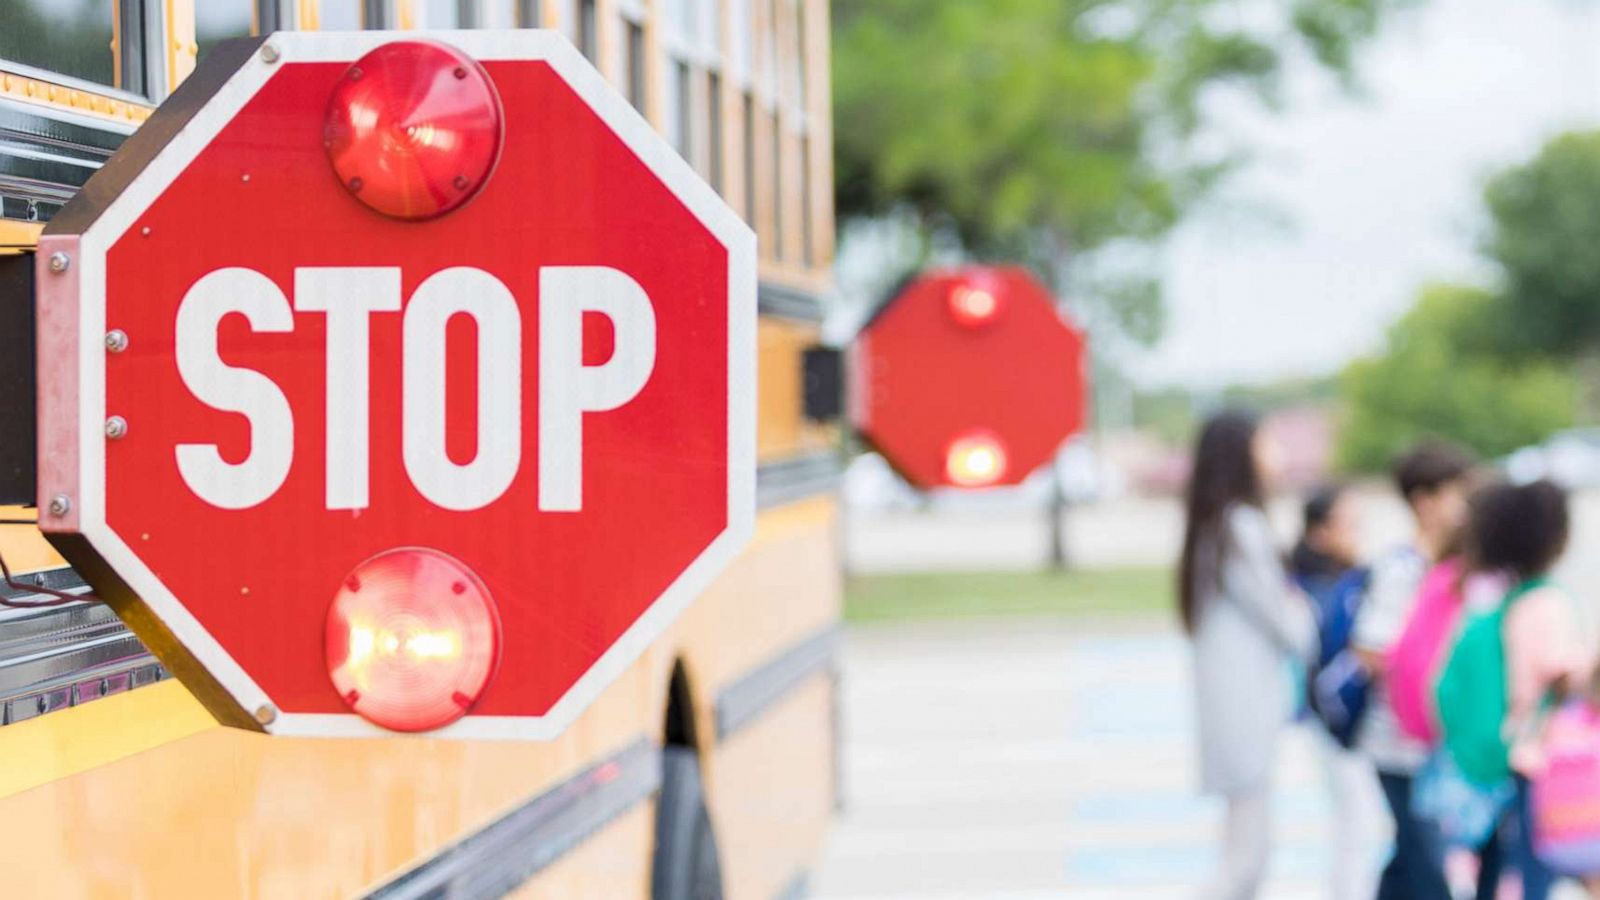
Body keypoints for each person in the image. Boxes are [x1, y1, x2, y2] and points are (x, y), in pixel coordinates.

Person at [1179, 410, 1314, 900]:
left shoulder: (1216, 525)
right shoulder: (1242, 526)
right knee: (1247, 857)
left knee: (1245, 850)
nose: (1274, 454)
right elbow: (1285, 620)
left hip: (1233, 704)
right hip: (1245, 708)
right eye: (1266, 443)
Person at [1353, 441, 1474, 900]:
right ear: (1425, 502)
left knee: (1410, 858)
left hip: (1428, 742)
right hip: (1397, 742)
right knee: (1426, 866)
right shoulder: (1402, 568)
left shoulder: (1451, 566)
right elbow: (1370, 648)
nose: (1466, 508)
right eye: (1457, 496)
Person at [1472, 479, 1594, 900]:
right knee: (1545, 858)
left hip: (1516, 744)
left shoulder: (1510, 598)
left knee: (1520, 857)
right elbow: (1564, 672)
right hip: (1546, 754)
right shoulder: (1548, 602)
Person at [1288, 484, 1384, 900]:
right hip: (1338, 722)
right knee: (1356, 826)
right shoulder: (1319, 588)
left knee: (1357, 825)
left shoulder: (1336, 581)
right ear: (1320, 532)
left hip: (1335, 719)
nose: (1357, 533)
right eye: (1349, 524)